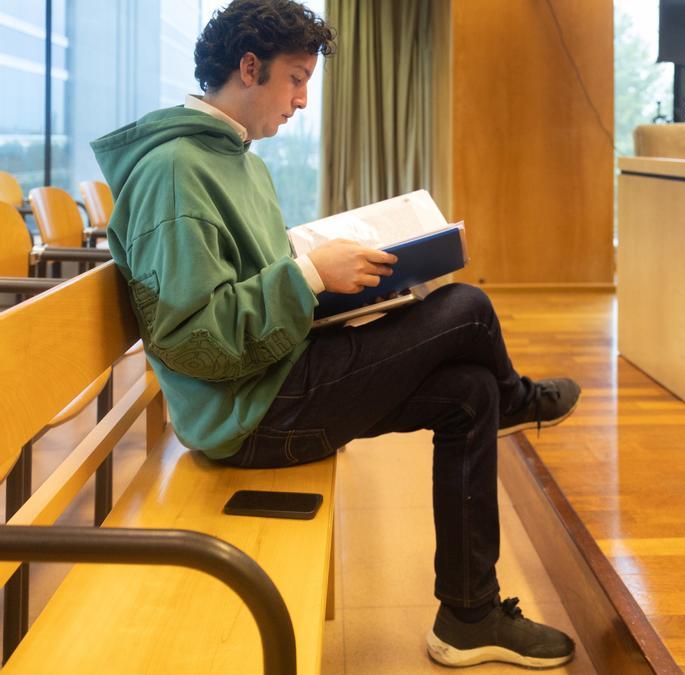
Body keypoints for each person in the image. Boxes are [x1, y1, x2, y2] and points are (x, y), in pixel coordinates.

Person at [90, 0, 580, 668]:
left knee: (469, 391)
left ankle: (469, 614)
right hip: (249, 415)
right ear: (249, 66)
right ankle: (518, 400)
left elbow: (255, 287)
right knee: (467, 309)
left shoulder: (238, 160)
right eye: (295, 79)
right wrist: (310, 276)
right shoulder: (175, 172)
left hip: (274, 377)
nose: (300, 100)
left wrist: (348, 281)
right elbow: (191, 341)